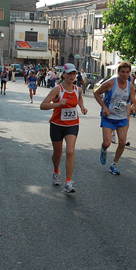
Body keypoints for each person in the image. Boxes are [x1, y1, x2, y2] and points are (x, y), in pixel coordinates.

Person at [40, 63, 87, 193]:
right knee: (57, 153)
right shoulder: (57, 89)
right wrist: (58, 104)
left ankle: (68, 182)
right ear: (64, 75)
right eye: (70, 73)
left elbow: (80, 99)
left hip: (72, 125)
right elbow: (43, 105)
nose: (72, 76)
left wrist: (82, 107)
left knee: (70, 151)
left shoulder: (78, 89)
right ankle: (56, 171)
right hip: (57, 125)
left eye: (74, 73)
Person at [94, 62, 136, 175]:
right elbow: (96, 93)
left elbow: (133, 100)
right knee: (107, 143)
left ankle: (114, 164)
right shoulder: (111, 83)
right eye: (122, 72)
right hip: (108, 116)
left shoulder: (130, 85)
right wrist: (104, 107)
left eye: (127, 72)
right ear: (118, 72)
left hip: (122, 118)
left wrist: (133, 106)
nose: (125, 74)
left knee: (122, 142)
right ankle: (103, 149)